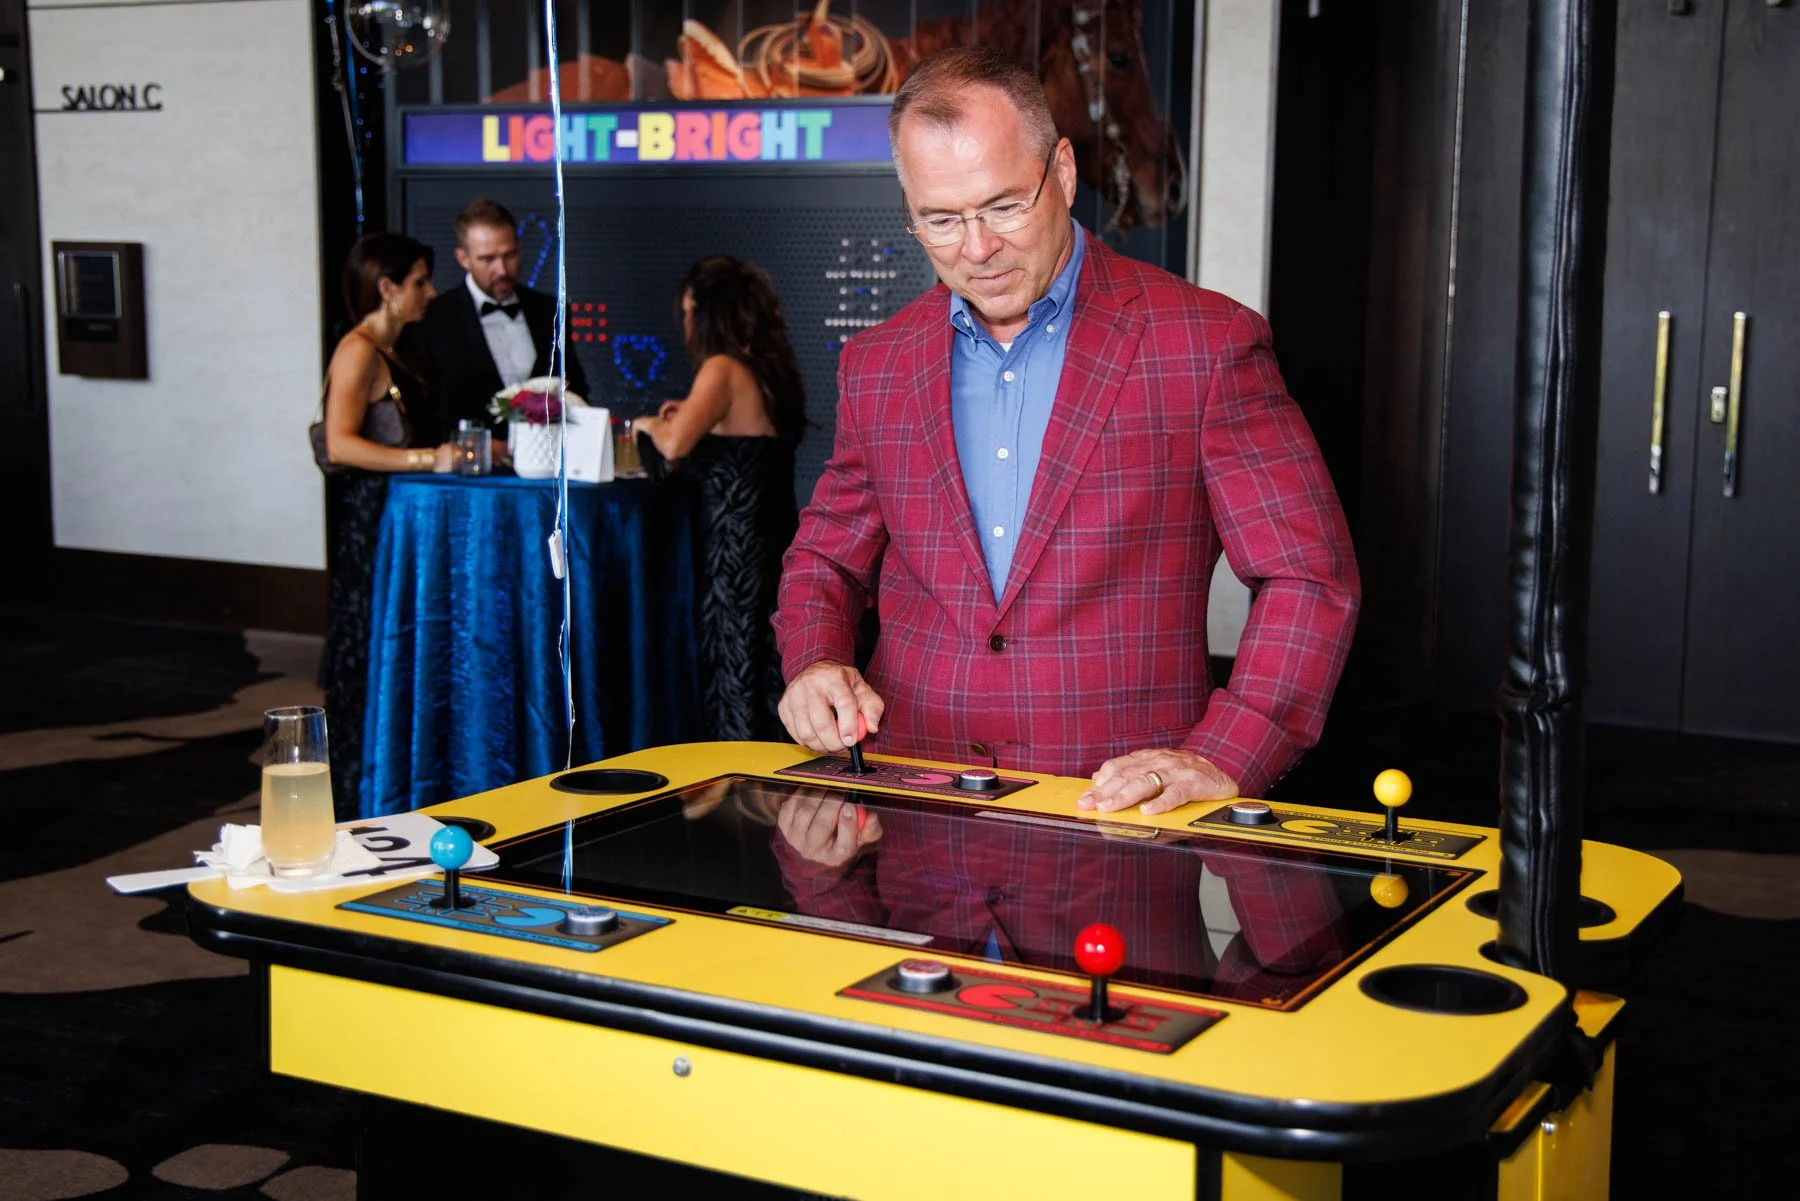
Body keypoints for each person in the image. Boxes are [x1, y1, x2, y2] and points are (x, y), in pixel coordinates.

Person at [773, 47, 1360, 825]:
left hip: (1120, 818)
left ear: (1064, 171)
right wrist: (815, 658)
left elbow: (1308, 577)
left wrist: (1229, 749)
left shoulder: (1206, 343)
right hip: (911, 807)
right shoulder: (876, 363)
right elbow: (826, 558)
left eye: (1004, 206)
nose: (977, 248)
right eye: (941, 220)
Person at [629, 256, 806, 741]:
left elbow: (673, 445)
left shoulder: (722, 367)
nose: (686, 324)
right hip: (771, 540)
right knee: (761, 665)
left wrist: (649, 423)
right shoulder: (768, 372)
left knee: (734, 668)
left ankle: (736, 775)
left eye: (689, 312)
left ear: (707, 314)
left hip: (734, 550)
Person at [318, 232, 454, 819]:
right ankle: (357, 798)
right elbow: (339, 443)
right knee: (369, 648)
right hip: (373, 522)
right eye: (420, 281)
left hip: (399, 520)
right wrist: (426, 459)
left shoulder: (399, 347)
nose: (430, 292)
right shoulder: (357, 350)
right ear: (387, 288)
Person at [416, 197, 589, 443]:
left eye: (510, 255)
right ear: (463, 258)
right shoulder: (435, 316)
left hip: (545, 454)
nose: (502, 270)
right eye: (488, 259)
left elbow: (574, 387)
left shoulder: (548, 309)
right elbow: (427, 407)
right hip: (467, 460)